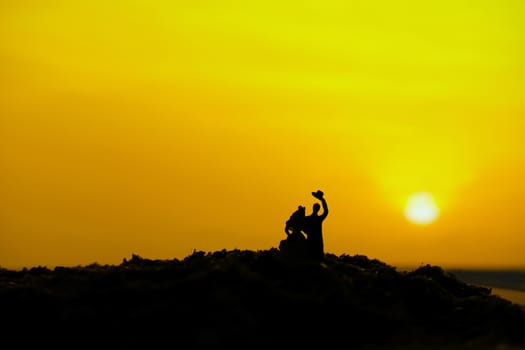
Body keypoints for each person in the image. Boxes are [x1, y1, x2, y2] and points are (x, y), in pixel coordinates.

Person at [302, 190, 328, 262]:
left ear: (318, 209)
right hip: (311, 240)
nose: (316, 209)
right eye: (315, 207)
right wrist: (308, 232)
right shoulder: (308, 218)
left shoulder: (319, 219)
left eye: (317, 208)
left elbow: (326, 211)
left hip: (318, 241)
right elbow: (302, 227)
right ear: (313, 208)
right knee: (310, 258)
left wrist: (322, 200)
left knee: (318, 258)